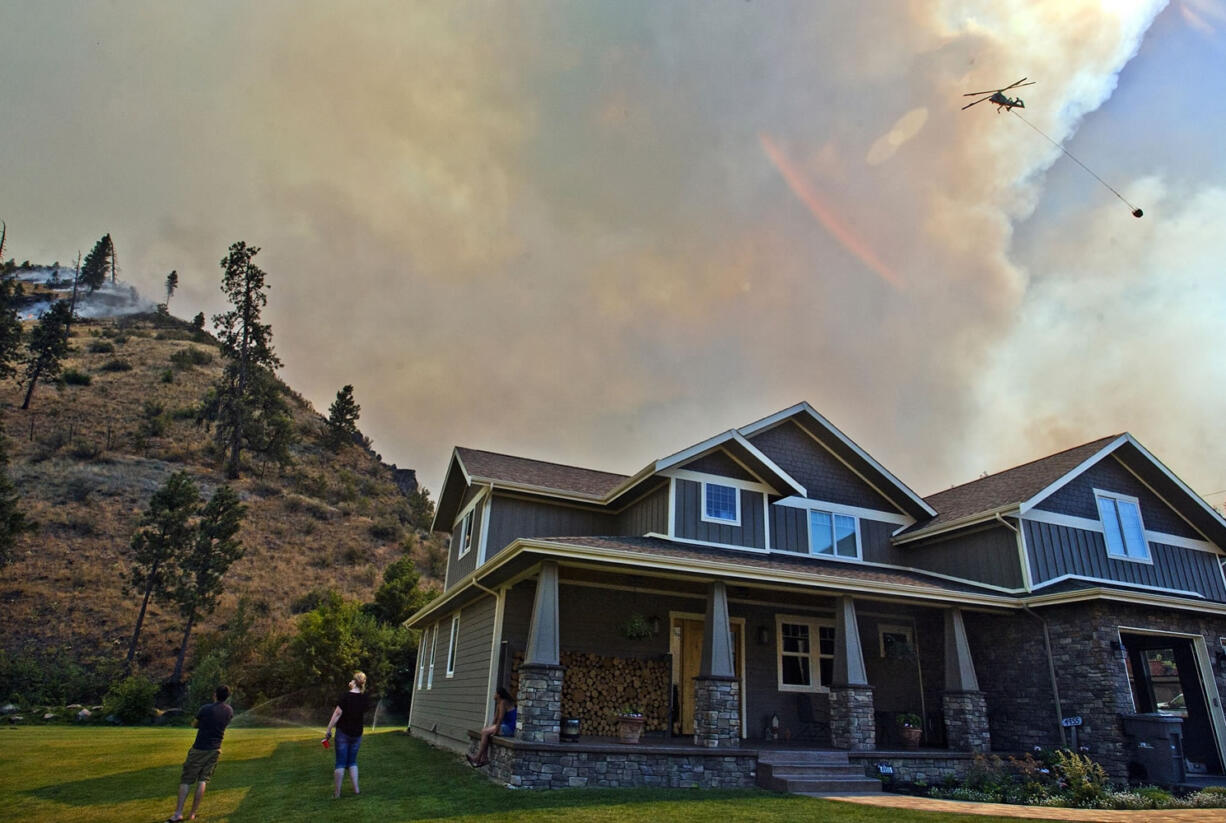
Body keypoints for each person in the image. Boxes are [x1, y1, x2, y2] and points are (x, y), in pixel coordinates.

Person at [167, 684, 234, 822]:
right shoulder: (229, 710)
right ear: (227, 697)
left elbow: (194, 724)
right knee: (203, 780)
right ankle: (192, 814)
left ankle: (178, 813)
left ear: (215, 694)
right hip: (216, 749)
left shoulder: (205, 709)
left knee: (186, 780)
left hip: (200, 748)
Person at [321, 671, 370, 798]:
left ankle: (337, 794)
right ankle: (356, 790)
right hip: (357, 734)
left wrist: (328, 730)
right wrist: (354, 687)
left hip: (343, 733)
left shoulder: (345, 696)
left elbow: (337, 714)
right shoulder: (364, 698)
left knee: (340, 763)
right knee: (352, 762)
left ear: (354, 681)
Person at [467, 686, 516, 767]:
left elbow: (500, 718)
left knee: (485, 732)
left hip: (510, 728)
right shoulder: (499, 703)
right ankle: (484, 758)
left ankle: (477, 758)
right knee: (485, 731)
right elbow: (495, 719)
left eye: (495, 693)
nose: (494, 695)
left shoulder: (504, 702)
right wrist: (491, 729)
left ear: (499, 695)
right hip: (504, 726)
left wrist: (495, 731)